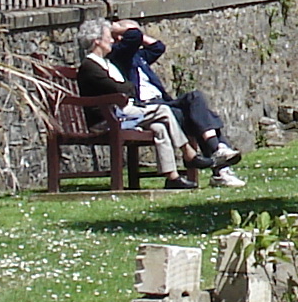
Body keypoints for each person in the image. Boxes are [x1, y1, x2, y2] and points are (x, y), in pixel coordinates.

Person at [75, 16, 244, 188]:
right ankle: (194, 155)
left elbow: (157, 48)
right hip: (112, 118)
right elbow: (121, 88)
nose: (111, 39)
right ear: (97, 41)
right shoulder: (99, 63)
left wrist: (127, 87)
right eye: (108, 36)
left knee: (177, 116)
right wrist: (119, 30)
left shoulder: (119, 61)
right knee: (172, 113)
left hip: (126, 112)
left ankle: (173, 177)